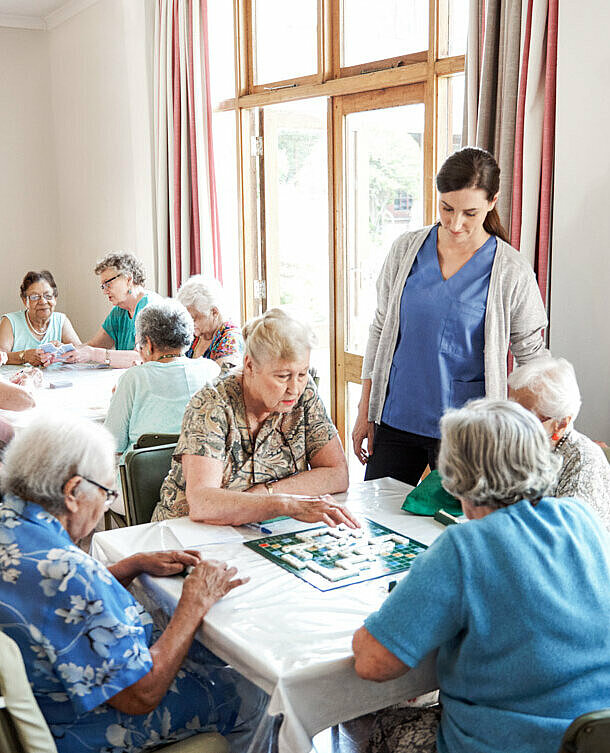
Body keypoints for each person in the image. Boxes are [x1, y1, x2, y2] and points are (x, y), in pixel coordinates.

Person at [352, 399, 610, 753]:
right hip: (593, 738)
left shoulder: (464, 547)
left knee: (386, 724)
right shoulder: (582, 519)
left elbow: (372, 663)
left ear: (457, 476)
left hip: (508, 744)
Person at [0, 416, 269, 753]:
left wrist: (128, 567)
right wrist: (194, 601)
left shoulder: (11, 525)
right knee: (256, 692)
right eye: (107, 492)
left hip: (40, 697)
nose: (106, 504)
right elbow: (141, 694)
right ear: (72, 492)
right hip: (83, 724)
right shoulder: (71, 573)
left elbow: (51, 607)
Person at [352, 147, 549, 486]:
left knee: (451, 528)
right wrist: (364, 411)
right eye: (447, 208)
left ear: (492, 201)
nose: (456, 223)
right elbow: (381, 328)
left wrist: (546, 424)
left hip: (468, 431)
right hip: (396, 417)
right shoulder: (406, 250)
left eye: (470, 213)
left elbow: (533, 356)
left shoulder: (510, 271)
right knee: (376, 524)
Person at [151, 308, 354, 528]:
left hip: (261, 527)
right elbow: (203, 503)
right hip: (187, 533)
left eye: (302, 374)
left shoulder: (304, 394)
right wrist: (283, 504)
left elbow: (337, 474)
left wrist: (266, 493)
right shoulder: (212, 404)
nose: (294, 389)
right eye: (283, 376)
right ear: (249, 365)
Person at [103, 299, 220, 513]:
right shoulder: (210, 369)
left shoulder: (133, 378)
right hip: (202, 484)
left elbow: (112, 442)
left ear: (148, 343)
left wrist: (116, 399)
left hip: (141, 491)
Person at [508, 356, 610, 528]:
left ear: (561, 423)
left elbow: (566, 539)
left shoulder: (582, 461)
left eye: (526, 419)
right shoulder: (526, 445)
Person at [67, 252, 159, 368]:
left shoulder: (151, 307)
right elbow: (95, 345)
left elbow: (141, 358)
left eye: (108, 284)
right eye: (103, 286)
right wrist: (62, 352)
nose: (105, 291)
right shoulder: (119, 311)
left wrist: (93, 353)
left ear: (128, 279)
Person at [0, 270, 81, 367]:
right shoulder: (10, 321)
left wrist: (62, 349)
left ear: (55, 298)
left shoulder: (61, 320)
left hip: (55, 380)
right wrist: (24, 356)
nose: (43, 301)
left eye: (48, 296)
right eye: (35, 297)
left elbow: (80, 353)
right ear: (25, 300)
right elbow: (1, 356)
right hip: (15, 380)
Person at [177, 275, 244, 369]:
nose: (189, 324)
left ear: (214, 312)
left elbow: (224, 379)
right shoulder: (195, 334)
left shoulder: (231, 339)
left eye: (193, 318)